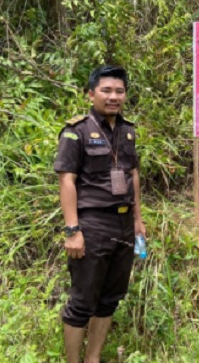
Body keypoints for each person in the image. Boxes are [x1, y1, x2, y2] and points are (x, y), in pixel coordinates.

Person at [53, 65, 147, 363]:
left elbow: (133, 175)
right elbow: (67, 181)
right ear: (91, 94)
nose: (113, 97)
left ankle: (92, 358)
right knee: (82, 301)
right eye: (106, 90)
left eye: (119, 91)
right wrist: (73, 230)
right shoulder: (76, 132)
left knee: (110, 299)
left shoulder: (128, 132)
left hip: (124, 224)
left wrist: (138, 220)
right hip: (92, 224)